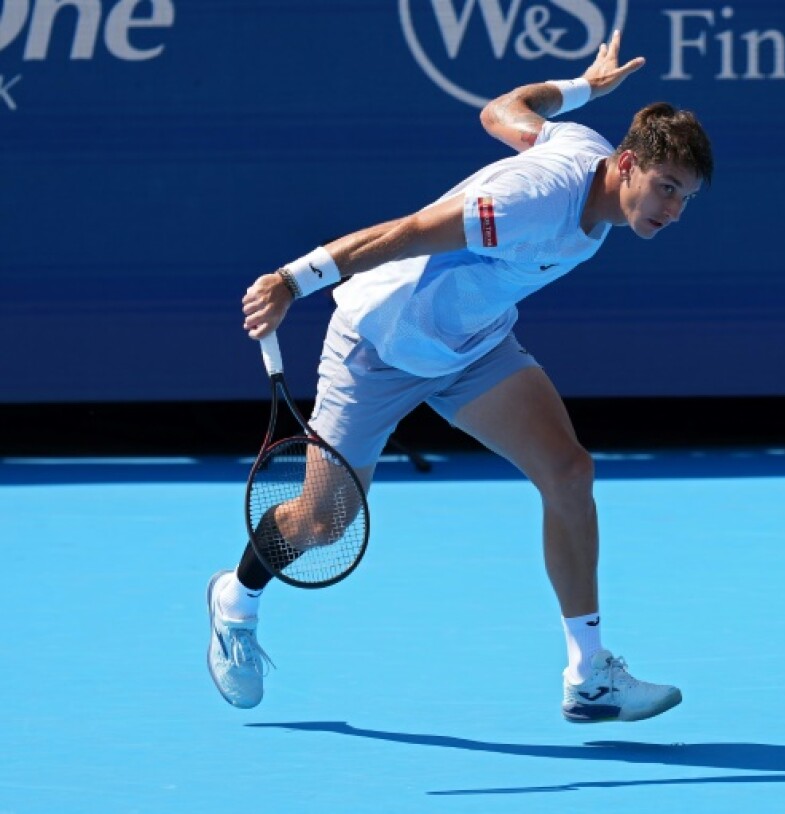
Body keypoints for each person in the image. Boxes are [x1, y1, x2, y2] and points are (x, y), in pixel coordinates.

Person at [206, 31, 713, 724]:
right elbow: (410, 230)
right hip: (377, 344)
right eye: (666, 190)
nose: (673, 212)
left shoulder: (583, 154)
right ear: (627, 165)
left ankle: (589, 676)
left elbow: (503, 107)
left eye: (686, 199)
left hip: (471, 344)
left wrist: (585, 89)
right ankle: (236, 597)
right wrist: (294, 281)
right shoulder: (531, 201)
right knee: (321, 523)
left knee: (568, 473)